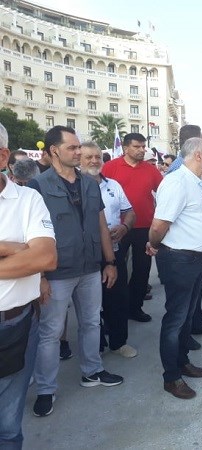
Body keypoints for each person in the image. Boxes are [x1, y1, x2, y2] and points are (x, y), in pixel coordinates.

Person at [29, 126, 123, 418]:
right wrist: (40, 276)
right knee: (50, 332)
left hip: (90, 267)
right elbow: (29, 235)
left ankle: (92, 371)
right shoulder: (37, 186)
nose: (79, 152)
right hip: (56, 272)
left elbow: (100, 224)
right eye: (72, 147)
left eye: (79, 146)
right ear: (54, 151)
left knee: (92, 322)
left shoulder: (90, 184)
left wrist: (110, 261)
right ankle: (46, 390)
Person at [0, 122, 57, 448]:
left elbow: (45, 257)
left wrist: (29, 255)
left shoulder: (27, 200)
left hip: (15, 325)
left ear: (2, 156)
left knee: (8, 425)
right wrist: (12, 248)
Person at [146, 138, 202, 399]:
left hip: (194, 259)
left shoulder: (194, 181)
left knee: (186, 316)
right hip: (179, 260)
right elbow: (159, 225)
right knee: (176, 318)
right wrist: (153, 244)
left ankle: (182, 361)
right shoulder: (177, 182)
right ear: (197, 155)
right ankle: (171, 377)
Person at [164, 125, 202, 344]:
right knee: (181, 306)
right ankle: (183, 339)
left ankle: (193, 326)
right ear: (195, 145)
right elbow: (165, 217)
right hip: (182, 253)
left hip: (194, 252)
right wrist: (154, 242)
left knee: (192, 297)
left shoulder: (192, 173)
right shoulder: (179, 173)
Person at [80, 142, 137, 357]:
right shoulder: (74, 187)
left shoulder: (113, 185)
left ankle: (119, 342)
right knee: (90, 304)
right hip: (86, 255)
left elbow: (129, 211)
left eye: (98, 157)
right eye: (89, 157)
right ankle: (95, 346)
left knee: (118, 298)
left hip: (113, 251)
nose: (94, 161)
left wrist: (124, 227)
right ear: (79, 159)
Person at [102, 133, 163, 322]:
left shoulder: (150, 170)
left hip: (144, 227)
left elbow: (163, 192)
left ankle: (135, 308)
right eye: (137, 147)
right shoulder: (111, 167)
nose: (142, 150)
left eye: (143, 147)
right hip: (118, 228)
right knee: (117, 268)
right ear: (126, 148)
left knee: (142, 269)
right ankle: (114, 310)